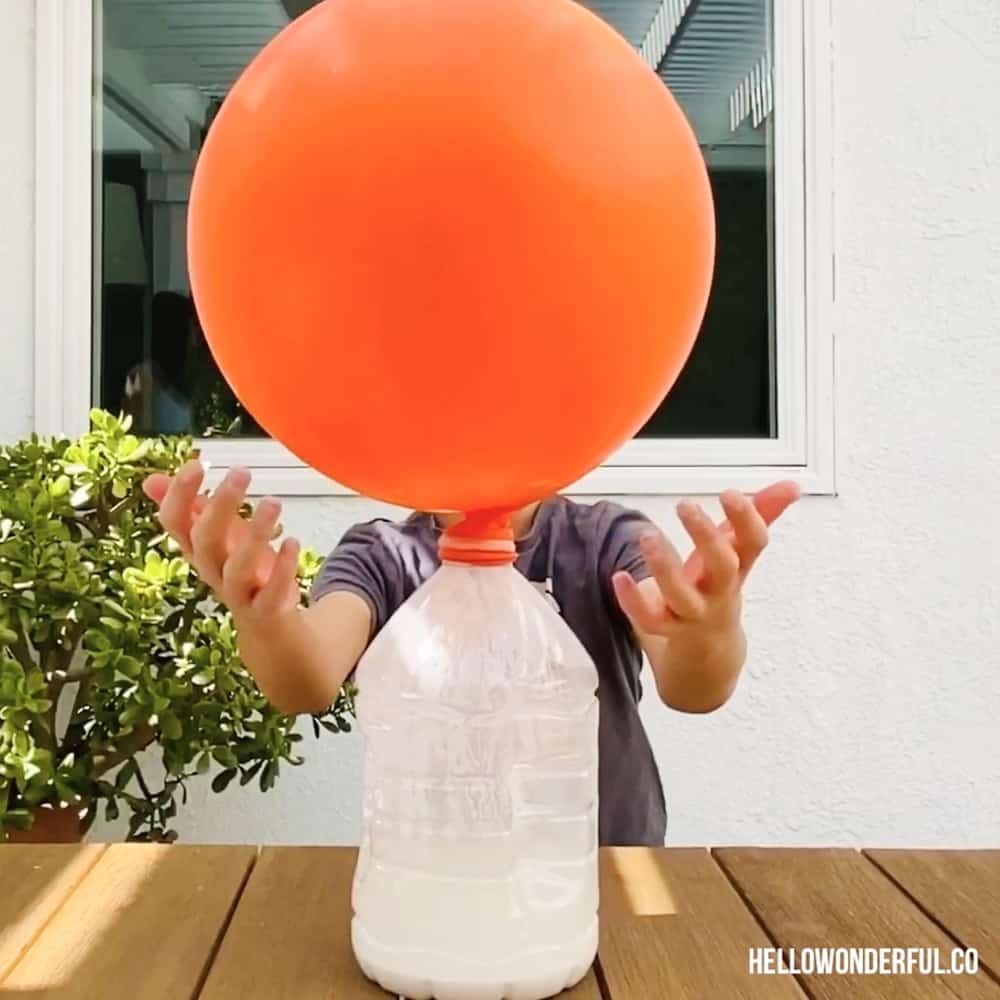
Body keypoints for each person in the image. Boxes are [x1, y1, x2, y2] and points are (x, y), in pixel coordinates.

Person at [143, 463, 799, 845]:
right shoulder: (381, 555)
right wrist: (267, 618)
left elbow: (692, 686)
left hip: (607, 869)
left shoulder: (606, 539)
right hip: (441, 889)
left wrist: (708, 627)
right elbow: (307, 680)